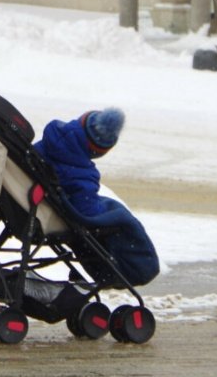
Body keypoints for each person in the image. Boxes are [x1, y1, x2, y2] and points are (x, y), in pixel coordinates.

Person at [32, 107, 160, 286]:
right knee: (120, 216)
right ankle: (135, 268)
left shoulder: (49, 142)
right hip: (54, 215)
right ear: (98, 151)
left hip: (34, 202)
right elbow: (88, 213)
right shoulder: (82, 174)